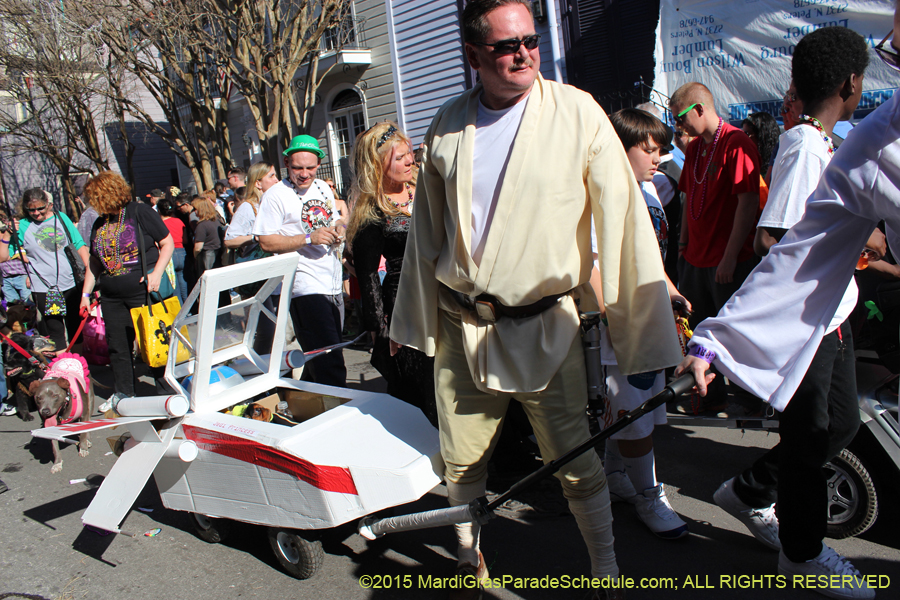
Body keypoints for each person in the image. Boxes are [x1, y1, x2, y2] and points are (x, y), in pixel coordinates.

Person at [390, 2, 682, 597]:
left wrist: (642, 329)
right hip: (461, 326)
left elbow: (624, 222)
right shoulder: (446, 123)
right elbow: (427, 233)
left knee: (576, 462)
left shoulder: (576, 113)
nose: (523, 52)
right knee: (464, 462)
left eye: (529, 40)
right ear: (473, 56)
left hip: (548, 328)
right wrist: (412, 323)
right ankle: (472, 561)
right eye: (505, 45)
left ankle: (606, 566)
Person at [676, 23, 885, 600]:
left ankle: (746, 491)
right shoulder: (802, 147)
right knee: (811, 434)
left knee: (839, 425)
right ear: (851, 83)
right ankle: (803, 551)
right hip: (806, 321)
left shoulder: (824, 143)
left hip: (831, 313)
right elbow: (777, 240)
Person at [598, 108, 691, 539]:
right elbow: (592, 264)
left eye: (661, 149)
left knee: (645, 409)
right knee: (631, 410)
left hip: (651, 314)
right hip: (624, 319)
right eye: (647, 149)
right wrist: (610, 318)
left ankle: (617, 474)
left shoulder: (650, 191)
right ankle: (649, 495)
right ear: (621, 148)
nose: (658, 158)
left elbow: (653, 255)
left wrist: (671, 291)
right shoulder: (604, 194)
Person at [670, 82, 761, 410]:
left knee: (734, 334)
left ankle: (752, 399)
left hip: (726, 261)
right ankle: (710, 396)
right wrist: (683, 245)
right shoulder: (694, 149)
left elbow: (747, 204)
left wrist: (730, 256)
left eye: (680, 119)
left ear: (699, 109)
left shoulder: (737, 144)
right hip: (695, 259)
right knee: (700, 335)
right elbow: (687, 199)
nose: (678, 127)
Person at [346, 121, 437, 426]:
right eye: (400, 158)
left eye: (409, 153)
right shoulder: (372, 210)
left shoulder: (423, 189)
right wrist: (382, 330)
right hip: (404, 304)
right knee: (420, 383)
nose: (410, 160)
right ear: (378, 165)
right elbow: (368, 275)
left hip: (442, 294)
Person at [253, 135, 348, 387]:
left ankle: (304, 407)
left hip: (332, 280)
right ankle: (339, 417)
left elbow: (335, 219)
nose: (304, 174)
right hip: (304, 287)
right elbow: (265, 241)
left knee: (322, 356)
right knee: (330, 363)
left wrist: (340, 229)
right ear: (286, 163)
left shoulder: (323, 187)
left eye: (310, 167)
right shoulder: (275, 196)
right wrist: (309, 238)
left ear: (319, 164)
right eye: (297, 168)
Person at [80, 172, 174, 399]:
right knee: (118, 348)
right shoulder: (100, 222)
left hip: (142, 292)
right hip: (112, 296)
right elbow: (94, 262)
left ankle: (167, 394)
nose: (94, 204)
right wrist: (85, 293)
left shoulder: (138, 211)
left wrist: (157, 273)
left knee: (153, 344)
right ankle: (124, 393)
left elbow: (167, 242)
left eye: (96, 198)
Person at [0, 189, 89, 350]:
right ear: (25, 208)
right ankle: (63, 371)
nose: (36, 213)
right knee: (56, 331)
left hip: (70, 283)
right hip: (45, 288)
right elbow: (2, 257)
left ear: (48, 205)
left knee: (75, 327)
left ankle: (79, 366)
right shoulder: (22, 226)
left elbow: (79, 245)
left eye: (40, 208)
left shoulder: (61, 218)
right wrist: (7, 234)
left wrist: (90, 274)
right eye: (31, 209)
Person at [158, 199, 189, 303]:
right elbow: (185, 239)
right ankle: (188, 307)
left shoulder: (160, 224)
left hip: (169, 254)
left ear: (159, 211)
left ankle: (179, 311)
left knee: (173, 284)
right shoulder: (179, 221)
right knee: (183, 282)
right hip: (181, 252)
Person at [0, 210, 30, 303]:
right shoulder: (5, 238)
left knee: (28, 303)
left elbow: (27, 259)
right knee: (13, 306)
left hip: (22, 275)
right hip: (5, 278)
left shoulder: (19, 238)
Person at [191, 198, 222, 279]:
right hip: (218, 255)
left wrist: (195, 256)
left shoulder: (202, 225)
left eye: (196, 209)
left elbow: (198, 247)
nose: (194, 211)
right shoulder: (216, 221)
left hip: (207, 257)